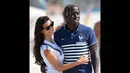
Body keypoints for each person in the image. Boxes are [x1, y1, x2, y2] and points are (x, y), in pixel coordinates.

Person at [54, 4, 100, 73]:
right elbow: (53, 53)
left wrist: (96, 72)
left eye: (78, 13)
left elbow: (94, 55)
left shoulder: (88, 31)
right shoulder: (58, 34)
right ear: (65, 16)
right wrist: (44, 64)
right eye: (73, 14)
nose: (76, 16)